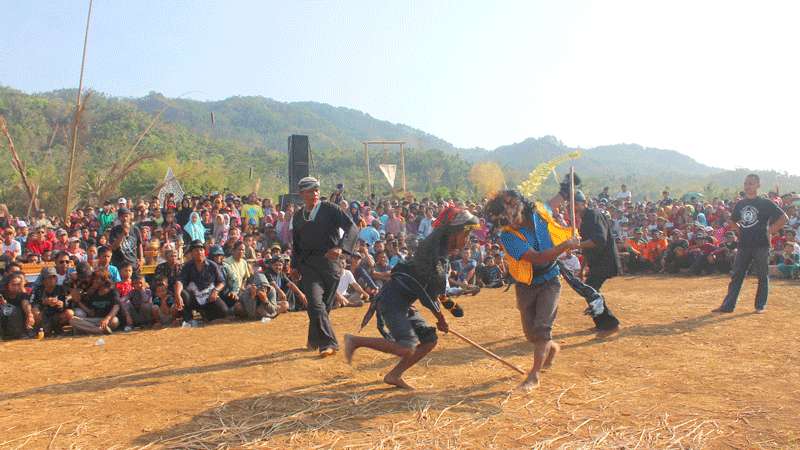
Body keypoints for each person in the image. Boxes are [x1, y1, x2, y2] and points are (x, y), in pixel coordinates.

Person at [345, 207, 479, 389]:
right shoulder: (432, 255)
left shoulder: (440, 254)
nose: (468, 239)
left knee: (429, 340)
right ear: (454, 233)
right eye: (466, 234)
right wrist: (441, 318)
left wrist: (452, 309)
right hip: (392, 300)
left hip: (404, 303)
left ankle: (394, 375)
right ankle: (355, 341)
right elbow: (427, 295)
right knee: (406, 347)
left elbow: (437, 293)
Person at [484, 191, 580, 391]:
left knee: (542, 328)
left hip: (550, 280)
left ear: (520, 208)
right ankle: (550, 348)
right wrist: (565, 245)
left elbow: (553, 202)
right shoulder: (508, 236)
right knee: (531, 334)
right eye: (504, 220)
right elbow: (537, 257)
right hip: (526, 285)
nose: (509, 223)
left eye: (510, 216)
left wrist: (566, 189)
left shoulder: (540, 214)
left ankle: (534, 376)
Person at [291, 177, 359, 357]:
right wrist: (294, 266)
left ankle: (314, 339)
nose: (314, 194)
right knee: (315, 302)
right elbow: (296, 244)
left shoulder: (330, 209)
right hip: (308, 265)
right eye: (310, 191)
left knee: (324, 307)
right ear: (301, 194)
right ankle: (329, 343)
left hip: (331, 264)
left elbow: (352, 228)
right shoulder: (298, 217)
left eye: (316, 190)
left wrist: (341, 248)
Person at [714, 174, 788, 313]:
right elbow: (732, 221)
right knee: (737, 275)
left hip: (761, 244)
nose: (747, 186)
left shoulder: (765, 203)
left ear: (758, 185)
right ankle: (728, 306)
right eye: (746, 183)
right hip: (744, 245)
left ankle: (760, 306)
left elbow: (784, 218)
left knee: (762, 275)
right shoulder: (740, 204)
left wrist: (770, 231)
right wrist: (740, 230)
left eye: (751, 183)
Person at [571, 190, 622, 334]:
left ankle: (610, 324)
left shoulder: (594, 215)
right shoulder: (585, 221)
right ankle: (603, 323)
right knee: (590, 290)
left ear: (585, 203)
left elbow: (599, 240)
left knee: (591, 290)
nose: (574, 207)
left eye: (577, 204)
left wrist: (577, 245)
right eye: (572, 204)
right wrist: (582, 269)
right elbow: (587, 249)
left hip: (605, 260)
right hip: (596, 262)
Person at [174, 240, 228, 326]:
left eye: (201, 250)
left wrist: (216, 291)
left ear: (204, 252)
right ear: (191, 253)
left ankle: (206, 315)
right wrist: (177, 295)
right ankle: (189, 319)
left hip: (209, 297)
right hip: (194, 298)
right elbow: (180, 281)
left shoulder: (212, 265)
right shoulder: (187, 266)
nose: (199, 252)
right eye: (196, 250)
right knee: (183, 294)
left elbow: (222, 282)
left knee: (224, 311)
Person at [69, 270, 121, 335]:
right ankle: (98, 330)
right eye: (93, 279)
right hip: (95, 320)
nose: (94, 281)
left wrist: (106, 319)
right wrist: (78, 302)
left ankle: (88, 330)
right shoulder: (93, 293)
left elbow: (116, 307)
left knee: (115, 321)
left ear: (104, 281)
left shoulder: (113, 292)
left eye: (96, 279)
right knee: (73, 320)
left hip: (108, 319)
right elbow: (91, 313)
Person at [0, 272, 35, 339]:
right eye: (13, 284)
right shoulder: (2, 294)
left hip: (18, 321)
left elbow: (26, 304)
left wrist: (29, 315)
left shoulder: (23, 295)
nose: (16, 287)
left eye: (18, 284)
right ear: (8, 285)